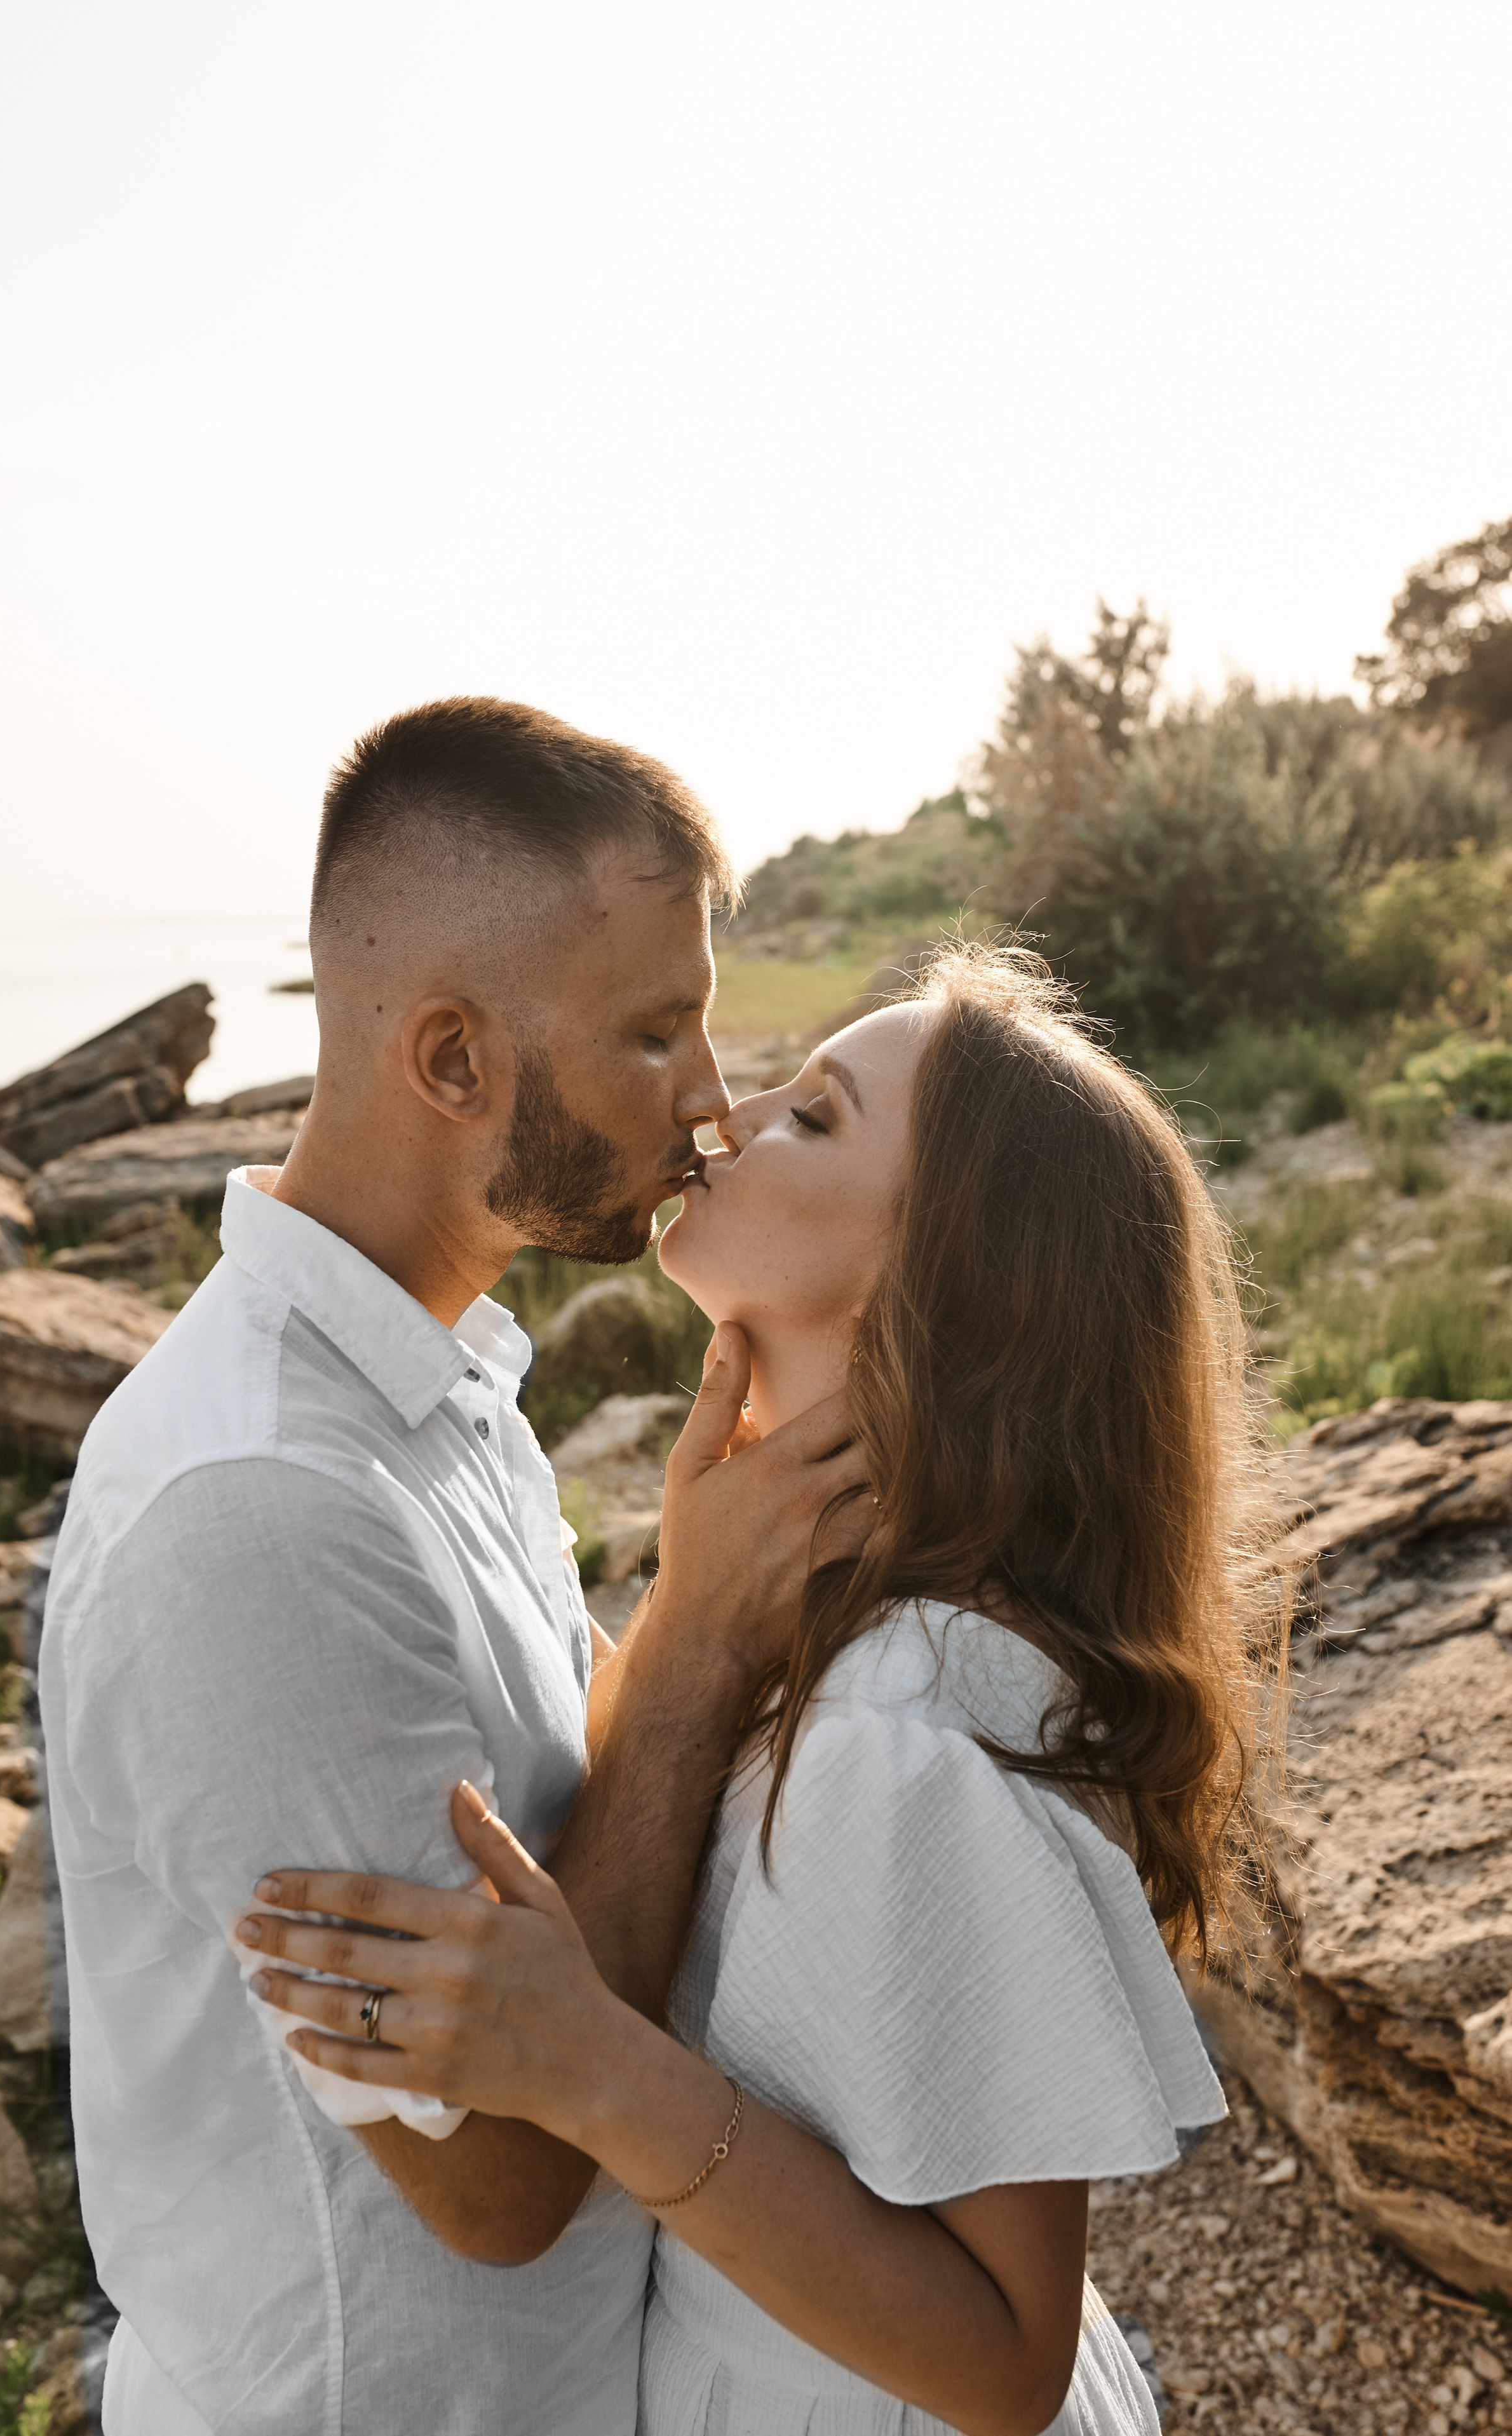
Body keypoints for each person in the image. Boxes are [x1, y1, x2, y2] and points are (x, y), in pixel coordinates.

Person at [239, 941, 1286, 2436]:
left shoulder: (904, 1737)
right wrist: (695, 1606)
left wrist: (600, 2071)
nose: (724, 1112)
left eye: (814, 1117)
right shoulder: (830, 1624)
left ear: (945, 1285)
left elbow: (1002, 2360)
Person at [39, 698, 871, 2435]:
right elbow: (491, 2177)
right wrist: (700, 1636)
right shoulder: (260, 1514)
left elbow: (578, 1848)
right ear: (450, 1061)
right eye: (653, 1036)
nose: (714, 1103)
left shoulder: (439, 1389)